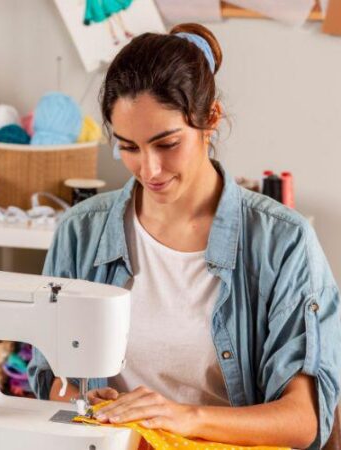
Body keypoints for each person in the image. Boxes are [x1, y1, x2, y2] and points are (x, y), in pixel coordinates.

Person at [28, 23, 340, 449]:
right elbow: (52, 378)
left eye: (167, 143)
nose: (149, 169)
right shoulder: (79, 233)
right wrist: (87, 401)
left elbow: (304, 419)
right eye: (129, 148)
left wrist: (182, 418)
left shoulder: (283, 242)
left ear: (209, 119)